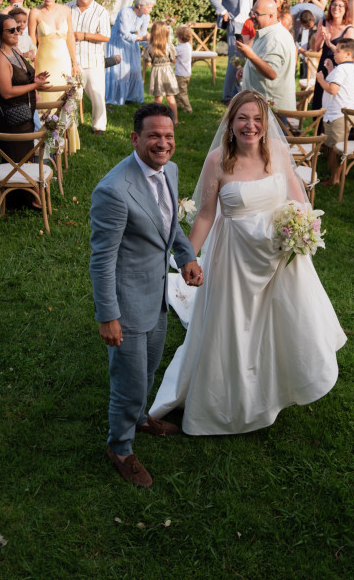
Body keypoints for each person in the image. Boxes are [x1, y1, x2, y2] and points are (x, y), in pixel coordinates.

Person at [149, 90, 347, 435]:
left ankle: (275, 387)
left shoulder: (279, 154)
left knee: (279, 324)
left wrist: (301, 228)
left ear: (266, 122)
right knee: (234, 327)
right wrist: (189, 258)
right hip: (235, 259)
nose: (250, 126)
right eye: (243, 118)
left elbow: (298, 199)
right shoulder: (217, 161)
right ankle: (230, 402)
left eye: (257, 119)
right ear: (231, 122)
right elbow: (206, 217)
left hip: (278, 255)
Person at [89, 103, 203, 487]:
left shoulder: (168, 170)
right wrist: (108, 315)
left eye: (168, 136)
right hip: (125, 302)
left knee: (150, 365)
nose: (163, 143)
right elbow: (101, 260)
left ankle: (140, 418)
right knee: (128, 380)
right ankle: (120, 447)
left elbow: (170, 222)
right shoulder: (113, 190)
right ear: (135, 138)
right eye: (154, 135)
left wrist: (185, 256)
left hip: (157, 295)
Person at [0, 14, 50, 206]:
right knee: (16, 155)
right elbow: (6, 92)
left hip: (25, 115)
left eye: (18, 29)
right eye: (11, 30)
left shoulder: (14, 51)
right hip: (11, 118)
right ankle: (25, 196)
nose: (17, 32)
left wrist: (36, 81)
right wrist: (34, 86)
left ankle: (27, 194)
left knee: (25, 155)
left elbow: (23, 78)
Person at [28, 0, 81, 153]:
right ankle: (45, 144)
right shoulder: (35, 12)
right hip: (44, 61)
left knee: (64, 97)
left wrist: (75, 62)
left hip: (63, 62)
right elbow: (31, 42)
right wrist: (30, 67)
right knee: (47, 98)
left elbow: (70, 36)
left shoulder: (66, 10)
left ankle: (65, 143)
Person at [67, 0, 111, 136]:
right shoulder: (67, 8)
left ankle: (99, 127)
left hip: (92, 60)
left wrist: (83, 35)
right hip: (70, 61)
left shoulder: (101, 11)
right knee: (70, 96)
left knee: (97, 95)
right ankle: (72, 126)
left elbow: (106, 36)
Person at [207, 0, 254, 103]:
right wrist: (223, 11)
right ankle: (227, 97)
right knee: (234, 60)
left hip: (247, 26)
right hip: (235, 25)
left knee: (243, 60)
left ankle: (236, 93)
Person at [238, 0, 296, 110]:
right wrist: (247, 69)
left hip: (270, 110)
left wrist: (250, 56)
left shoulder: (274, 38)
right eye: (252, 12)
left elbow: (272, 73)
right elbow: (263, 62)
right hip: (263, 106)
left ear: (270, 16)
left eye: (257, 14)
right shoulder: (268, 33)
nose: (252, 16)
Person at [315, 38, 354, 185]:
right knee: (336, 145)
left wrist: (321, 80)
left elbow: (333, 89)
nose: (334, 52)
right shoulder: (349, 68)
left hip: (338, 114)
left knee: (337, 147)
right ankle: (334, 174)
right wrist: (330, 70)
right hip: (342, 113)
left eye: (338, 51)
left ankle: (335, 178)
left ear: (347, 54)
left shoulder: (341, 69)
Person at [105, 0, 154, 106]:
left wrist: (150, 41)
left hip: (133, 42)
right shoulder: (125, 12)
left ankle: (131, 97)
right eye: (149, 7)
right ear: (140, 6)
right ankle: (116, 99)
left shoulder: (146, 16)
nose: (151, 10)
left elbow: (142, 35)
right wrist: (143, 37)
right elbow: (125, 35)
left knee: (134, 70)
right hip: (119, 42)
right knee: (120, 70)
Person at [310, 0, 354, 112]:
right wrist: (323, 37)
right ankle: (318, 128)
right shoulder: (323, 22)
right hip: (324, 64)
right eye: (334, 5)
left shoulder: (348, 29)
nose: (336, 8)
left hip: (339, 68)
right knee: (319, 99)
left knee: (334, 99)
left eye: (341, 6)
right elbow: (316, 48)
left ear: (345, 10)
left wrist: (330, 43)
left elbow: (348, 55)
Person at [143, 21, 179, 124]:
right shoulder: (169, 46)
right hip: (167, 71)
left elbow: (148, 63)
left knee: (158, 98)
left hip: (157, 73)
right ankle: (175, 120)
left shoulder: (150, 47)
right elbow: (174, 60)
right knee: (170, 97)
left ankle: (156, 121)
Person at [174, 25, 194, 114]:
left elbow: (173, 54)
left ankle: (188, 108)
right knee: (177, 90)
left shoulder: (179, 48)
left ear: (179, 37)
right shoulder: (188, 46)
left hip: (181, 74)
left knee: (182, 92)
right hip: (187, 74)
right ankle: (179, 105)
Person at [296, 9, 318, 80]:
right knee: (304, 75)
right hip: (304, 54)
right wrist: (300, 49)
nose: (309, 27)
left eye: (310, 25)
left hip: (315, 55)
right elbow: (294, 40)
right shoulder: (299, 29)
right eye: (307, 26)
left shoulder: (318, 27)